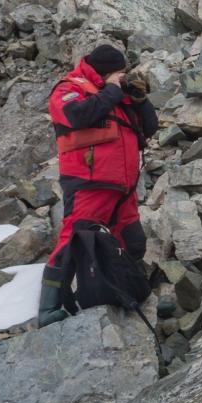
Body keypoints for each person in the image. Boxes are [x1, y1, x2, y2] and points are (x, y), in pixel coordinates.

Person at [37, 44, 157, 327]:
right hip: (89, 184)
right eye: (119, 73)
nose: (123, 77)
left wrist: (140, 100)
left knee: (132, 241)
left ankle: (127, 293)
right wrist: (112, 90)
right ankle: (49, 309)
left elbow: (149, 128)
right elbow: (77, 116)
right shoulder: (69, 88)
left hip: (124, 188)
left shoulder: (116, 95)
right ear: (104, 72)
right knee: (74, 240)